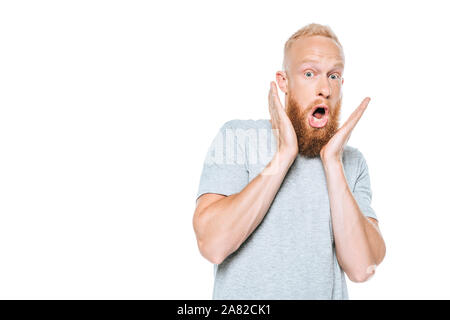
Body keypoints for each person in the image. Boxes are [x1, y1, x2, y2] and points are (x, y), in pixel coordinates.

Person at [192, 23, 386, 300]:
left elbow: (362, 269)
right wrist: (284, 156)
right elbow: (212, 244)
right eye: (309, 73)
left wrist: (333, 164)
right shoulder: (238, 137)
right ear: (283, 81)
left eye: (334, 76)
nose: (325, 89)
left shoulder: (351, 162)